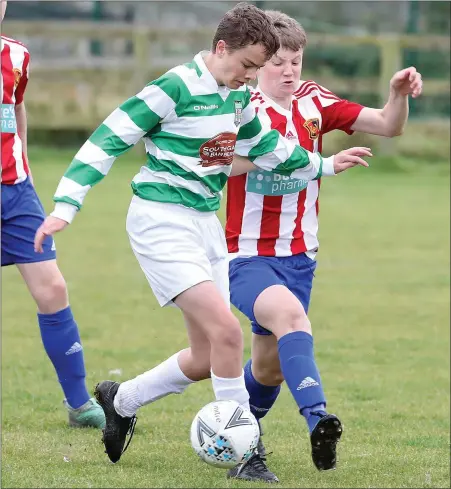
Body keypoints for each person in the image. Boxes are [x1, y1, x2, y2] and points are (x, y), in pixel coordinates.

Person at [34, 2, 370, 464]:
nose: (250, 79)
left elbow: (270, 147)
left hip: (204, 225)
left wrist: (325, 165)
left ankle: (121, 401)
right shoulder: (173, 87)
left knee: (205, 353)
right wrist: (65, 206)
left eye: (256, 71)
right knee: (229, 334)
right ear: (220, 48)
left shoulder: (236, 97)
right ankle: (248, 455)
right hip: (160, 222)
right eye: (247, 66)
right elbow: (107, 139)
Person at [225, 10, 423, 483]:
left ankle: (234, 440)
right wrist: (278, 158)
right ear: (256, 61)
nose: (289, 71)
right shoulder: (235, 104)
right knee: (293, 320)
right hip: (245, 253)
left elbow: (387, 125)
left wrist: (396, 95)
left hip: (300, 258)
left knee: (269, 370)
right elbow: (216, 165)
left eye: (296, 60)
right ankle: (319, 421)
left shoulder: (313, 102)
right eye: (278, 62)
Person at [1, 0, 105, 429]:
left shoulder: (16, 55)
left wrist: (20, 155)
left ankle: (79, 404)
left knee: (52, 289)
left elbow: (16, 108)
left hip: (15, 192)